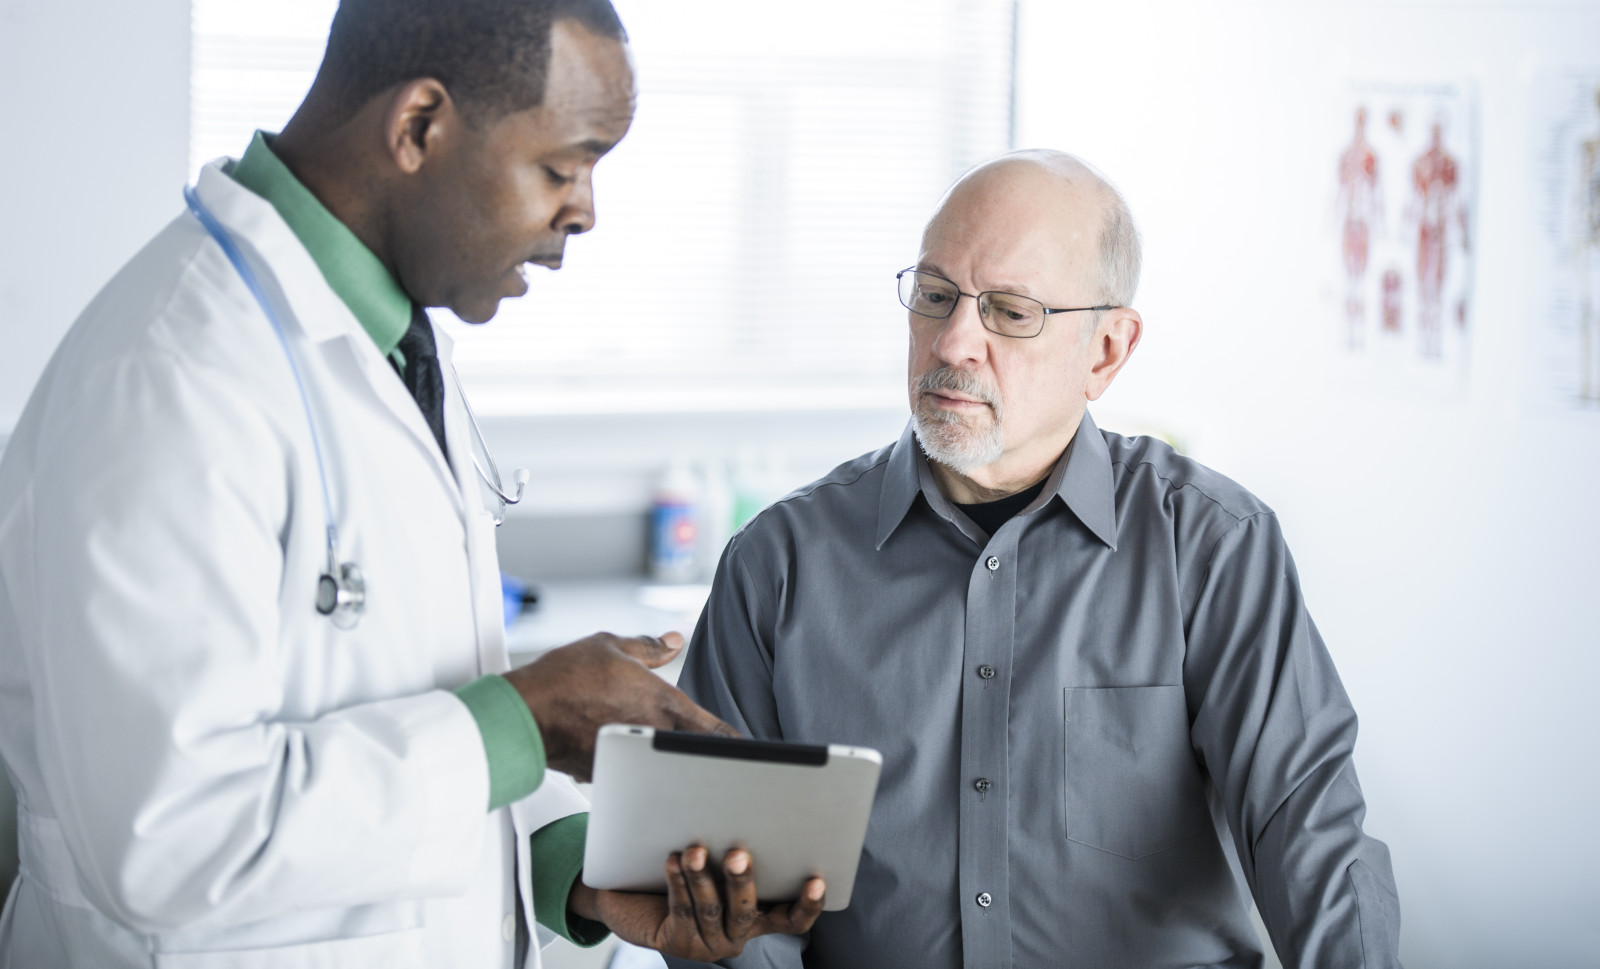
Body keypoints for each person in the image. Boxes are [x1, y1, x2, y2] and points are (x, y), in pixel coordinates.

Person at [0, 1, 823, 966]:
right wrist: (526, 719)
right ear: (420, 125)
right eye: (563, 165)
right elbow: (163, 836)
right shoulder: (171, 377)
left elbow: (403, 697)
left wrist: (566, 862)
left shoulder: (382, 342)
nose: (586, 210)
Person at [671, 150, 1404, 968]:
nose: (954, 341)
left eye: (1011, 312)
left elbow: (1309, 836)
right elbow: (728, 904)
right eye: (937, 296)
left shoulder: (1212, 545)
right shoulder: (777, 565)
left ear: (1105, 352)